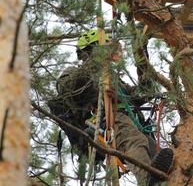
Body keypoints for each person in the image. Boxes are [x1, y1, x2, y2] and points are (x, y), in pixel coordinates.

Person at [48, 29, 173, 185]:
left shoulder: (113, 78)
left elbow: (144, 92)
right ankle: (148, 179)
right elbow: (67, 88)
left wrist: (141, 55)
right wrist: (96, 64)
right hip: (105, 122)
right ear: (91, 50)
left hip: (128, 124)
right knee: (135, 141)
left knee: (159, 154)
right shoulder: (74, 72)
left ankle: (192, 180)